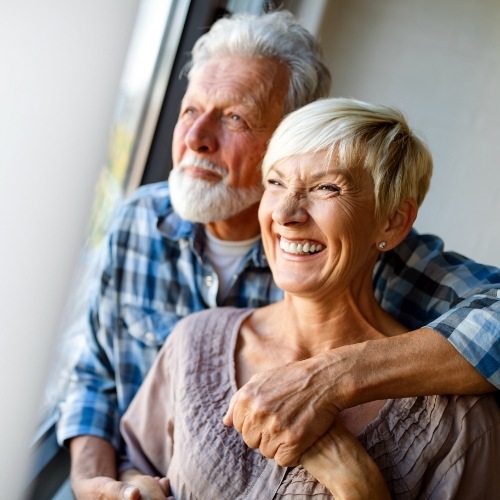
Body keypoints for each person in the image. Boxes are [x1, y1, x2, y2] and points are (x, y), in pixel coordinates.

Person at [56, 9, 500, 500]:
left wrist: (332, 380)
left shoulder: (389, 261)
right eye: (189, 110)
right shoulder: (139, 222)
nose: (195, 138)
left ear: (297, 133)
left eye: (234, 117)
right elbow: (94, 376)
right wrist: (95, 482)